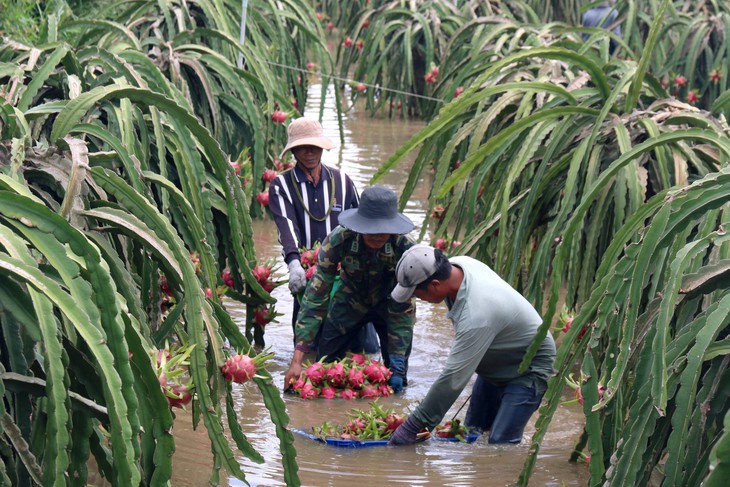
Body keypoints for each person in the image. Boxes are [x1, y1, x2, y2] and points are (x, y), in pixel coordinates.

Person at [388, 245, 556, 445]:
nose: (418, 299)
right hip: (495, 359)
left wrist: (413, 426)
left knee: (500, 443)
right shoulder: (460, 265)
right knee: (472, 433)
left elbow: (452, 378)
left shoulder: (477, 314)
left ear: (434, 285)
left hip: (529, 365)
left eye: (417, 294)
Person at [283, 186, 416, 393]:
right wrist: (297, 358)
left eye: (383, 230)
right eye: (371, 230)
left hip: (391, 304)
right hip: (348, 301)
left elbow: (405, 307)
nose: (377, 236)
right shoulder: (339, 241)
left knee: (396, 379)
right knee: (323, 366)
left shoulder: (405, 248)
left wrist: (398, 360)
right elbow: (315, 297)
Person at [268, 117, 360, 341]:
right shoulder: (282, 185)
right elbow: (286, 226)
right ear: (293, 152)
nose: (309, 152)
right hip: (307, 271)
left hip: (343, 272)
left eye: (314, 147)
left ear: (321, 147)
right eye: (302, 148)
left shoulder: (342, 180)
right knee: (306, 340)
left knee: (356, 341)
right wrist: (294, 263)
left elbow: (359, 221)